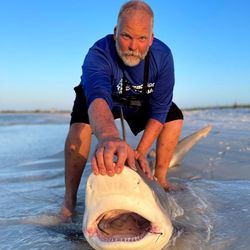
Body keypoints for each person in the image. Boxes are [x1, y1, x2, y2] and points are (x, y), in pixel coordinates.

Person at [61, 0, 184, 219]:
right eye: (127, 36)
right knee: (77, 132)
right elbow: (97, 97)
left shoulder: (163, 57)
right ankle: (69, 200)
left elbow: (160, 109)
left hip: (139, 99)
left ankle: (161, 178)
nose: (133, 46)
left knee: (174, 117)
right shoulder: (98, 53)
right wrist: (109, 137)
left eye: (142, 38)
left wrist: (141, 152)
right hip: (100, 101)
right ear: (116, 32)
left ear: (151, 38)